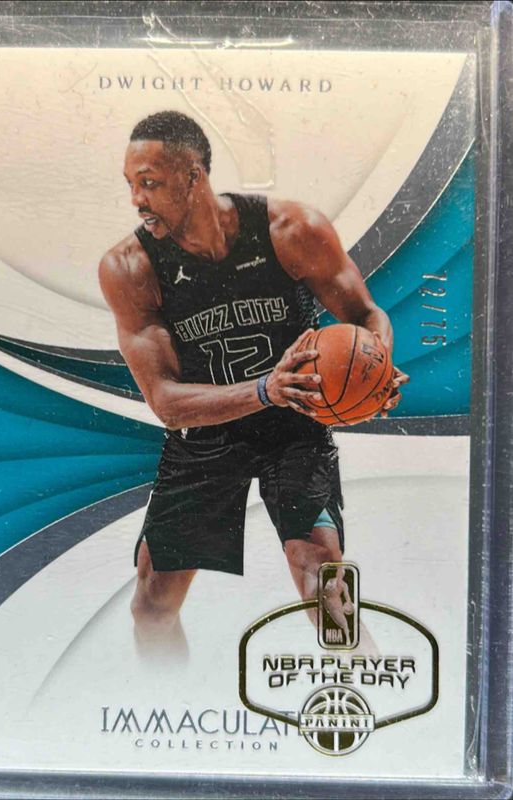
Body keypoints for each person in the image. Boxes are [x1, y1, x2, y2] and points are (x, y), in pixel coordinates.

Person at [99, 111, 408, 658]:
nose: (136, 200)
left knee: (323, 578)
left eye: (149, 183)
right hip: (206, 430)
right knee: (152, 604)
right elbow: (167, 402)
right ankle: (160, 697)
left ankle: (370, 688)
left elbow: (365, 315)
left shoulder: (292, 230)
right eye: (130, 184)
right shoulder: (130, 267)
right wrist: (266, 388)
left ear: (193, 176)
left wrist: (377, 362)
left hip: (294, 427)